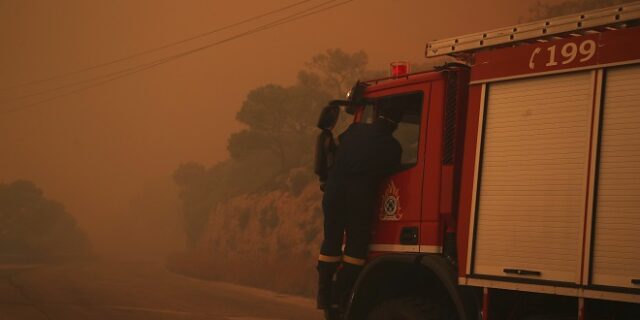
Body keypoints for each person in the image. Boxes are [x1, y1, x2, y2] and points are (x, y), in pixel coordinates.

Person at [316, 105, 402, 319]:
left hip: (334, 193)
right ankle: (343, 294)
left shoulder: (354, 130)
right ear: (395, 124)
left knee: (331, 243)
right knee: (356, 247)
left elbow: (335, 149)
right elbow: (392, 174)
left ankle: (324, 293)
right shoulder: (393, 147)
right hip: (359, 199)